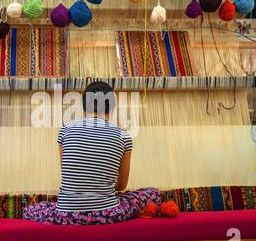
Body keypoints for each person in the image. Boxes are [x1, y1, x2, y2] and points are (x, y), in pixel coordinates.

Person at [23, 81, 161, 225]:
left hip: (67, 216)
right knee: (153, 193)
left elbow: (70, 176)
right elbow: (121, 186)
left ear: (84, 106)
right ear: (112, 106)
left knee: (29, 210)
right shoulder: (123, 136)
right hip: (108, 214)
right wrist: (100, 188)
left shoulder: (66, 131)